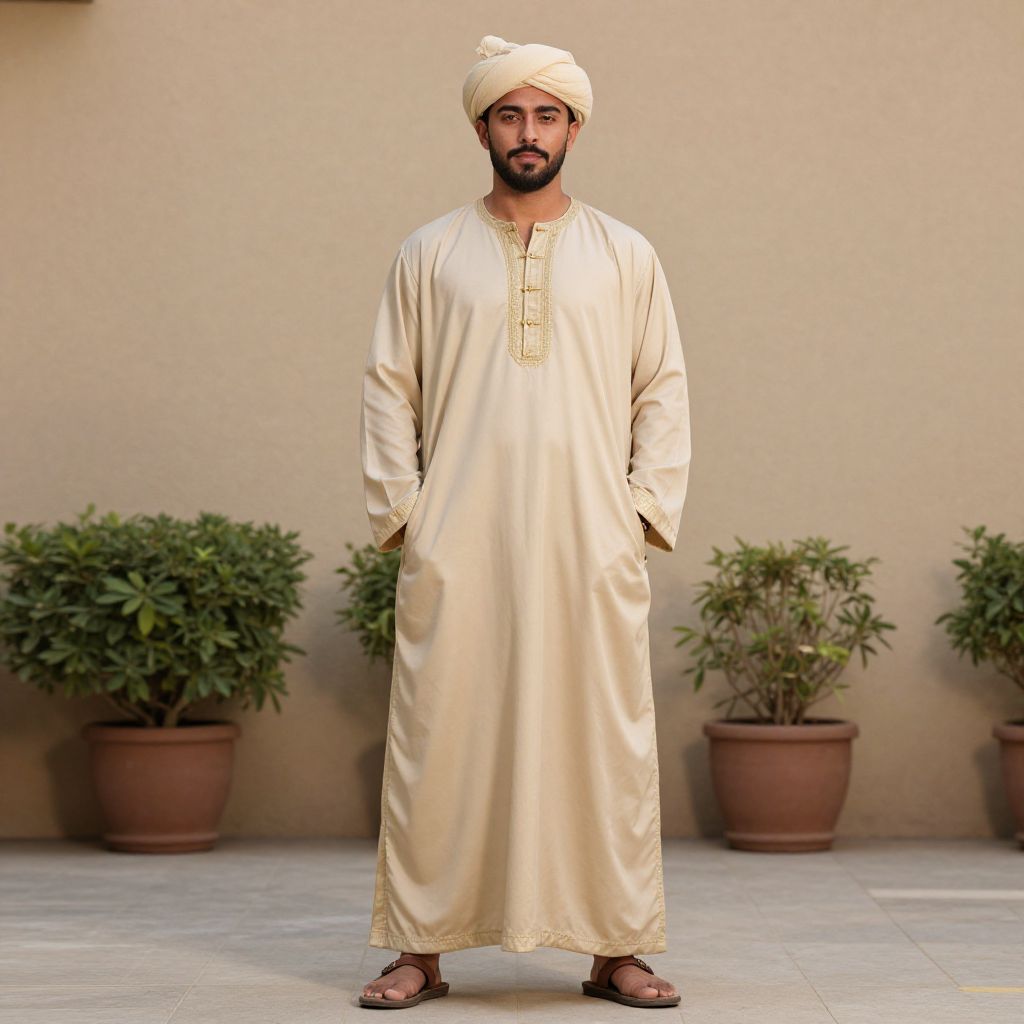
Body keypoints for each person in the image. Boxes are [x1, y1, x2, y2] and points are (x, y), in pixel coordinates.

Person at [358, 34, 690, 1010]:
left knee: (604, 741)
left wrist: (635, 511)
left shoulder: (625, 254)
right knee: (439, 736)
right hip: (459, 539)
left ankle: (614, 947)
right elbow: (388, 390)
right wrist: (409, 517)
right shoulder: (429, 253)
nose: (528, 131)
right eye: (510, 114)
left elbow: (660, 388)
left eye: (546, 115)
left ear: (573, 128)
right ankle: (419, 948)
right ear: (481, 127)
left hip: (588, 540)